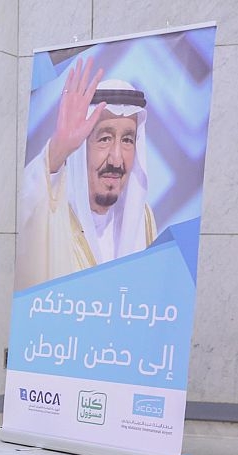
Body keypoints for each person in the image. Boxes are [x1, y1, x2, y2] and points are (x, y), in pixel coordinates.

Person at [16, 57, 157, 290]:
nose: (116, 159)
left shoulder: (142, 218)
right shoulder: (53, 215)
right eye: (104, 139)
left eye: (127, 140)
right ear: (81, 147)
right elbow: (23, 212)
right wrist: (58, 149)